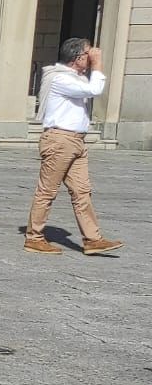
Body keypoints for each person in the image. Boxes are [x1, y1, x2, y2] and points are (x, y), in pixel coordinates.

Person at [25, 38, 122, 256]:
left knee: (82, 191)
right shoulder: (60, 78)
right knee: (47, 190)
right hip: (60, 140)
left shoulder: (74, 78)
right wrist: (98, 66)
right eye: (88, 54)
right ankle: (34, 236)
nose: (91, 56)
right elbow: (94, 90)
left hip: (77, 140)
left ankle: (92, 238)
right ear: (77, 57)